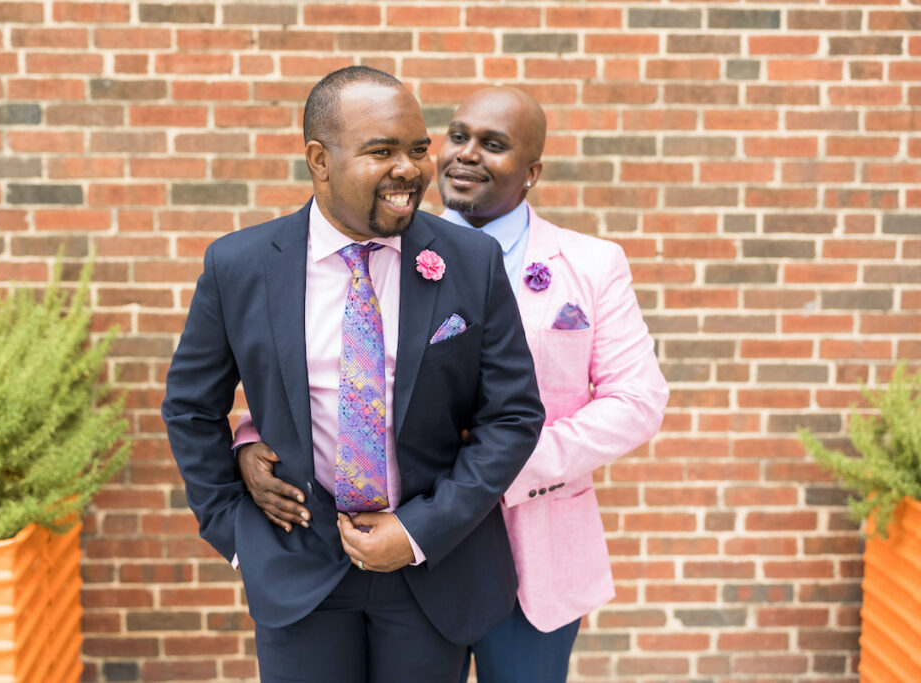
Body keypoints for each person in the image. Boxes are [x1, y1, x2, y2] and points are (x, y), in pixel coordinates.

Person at [161, 67, 545, 683]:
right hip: (297, 567)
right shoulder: (240, 265)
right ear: (320, 160)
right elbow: (190, 407)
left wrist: (419, 532)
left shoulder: (471, 261)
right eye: (382, 151)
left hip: (432, 570)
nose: (409, 170)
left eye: (418, 149)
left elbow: (513, 415)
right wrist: (234, 531)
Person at [439, 87, 670, 682]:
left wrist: (511, 458)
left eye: (493, 144)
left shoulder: (592, 265)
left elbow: (637, 401)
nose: (466, 154)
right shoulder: (388, 254)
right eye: (458, 136)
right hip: (415, 546)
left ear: (532, 172)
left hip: (538, 550)